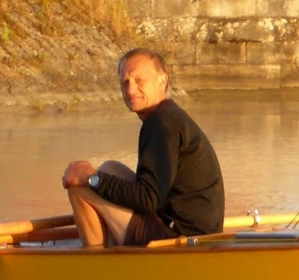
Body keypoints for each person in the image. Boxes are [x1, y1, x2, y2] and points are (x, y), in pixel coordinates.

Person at [62, 48, 224, 247]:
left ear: (162, 80)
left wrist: (90, 179)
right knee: (110, 168)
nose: (130, 90)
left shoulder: (160, 124)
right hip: (193, 229)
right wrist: (98, 179)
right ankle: (110, 244)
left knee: (79, 188)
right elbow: (151, 194)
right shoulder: (168, 116)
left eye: (139, 81)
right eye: (125, 82)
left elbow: (148, 199)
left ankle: (98, 264)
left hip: (181, 239)